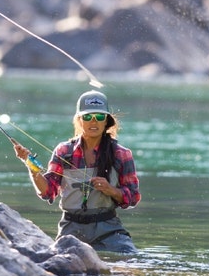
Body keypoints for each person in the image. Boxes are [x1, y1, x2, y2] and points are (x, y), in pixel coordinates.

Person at [13, 90, 140, 254]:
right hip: (70, 230)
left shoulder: (122, 154)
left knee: (130, 258)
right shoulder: (63, 151)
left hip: (108, 229)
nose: (93, 121)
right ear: (79, 120)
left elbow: (133, 197)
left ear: (106, 121)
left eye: (99, 117)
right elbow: (47, 191)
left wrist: (112, 190)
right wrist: (30, 164)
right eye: (87, 117)